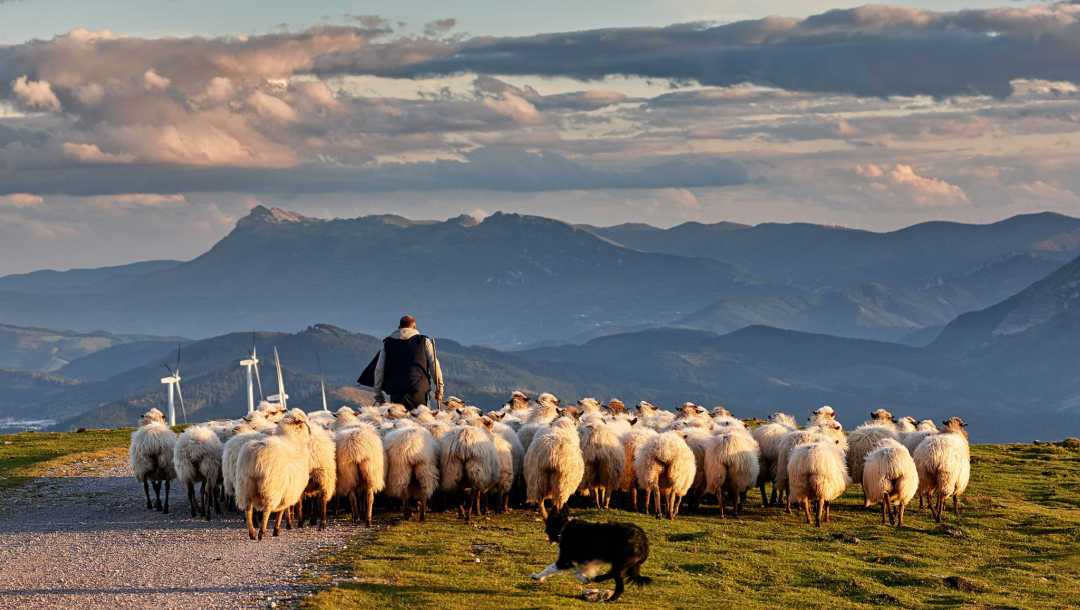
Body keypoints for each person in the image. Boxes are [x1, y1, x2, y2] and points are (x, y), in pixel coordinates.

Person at [373, 315, 444, 409]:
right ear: (414, 326)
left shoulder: (387, 343)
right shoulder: (423, 341)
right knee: (422, 418)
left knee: (398, 418)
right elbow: (434, 365)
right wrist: (440, 388)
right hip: (419, 390)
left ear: (399, 327)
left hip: (396, 391)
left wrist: (378, 393)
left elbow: (379, 369)